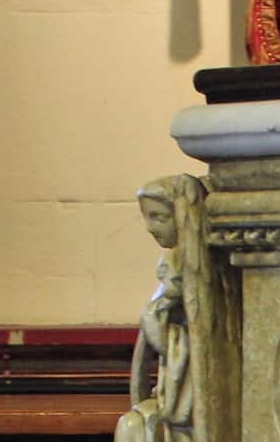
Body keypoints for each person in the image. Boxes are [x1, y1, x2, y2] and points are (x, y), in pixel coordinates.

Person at [116, 175, 204, 442]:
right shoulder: (172, 258)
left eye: (159, 217)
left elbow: (161, 332)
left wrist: (154, 319)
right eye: (147, 218)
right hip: (174, 376)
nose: (150, 228)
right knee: (134, 425)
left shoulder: (193, 263)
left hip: (189, 379)